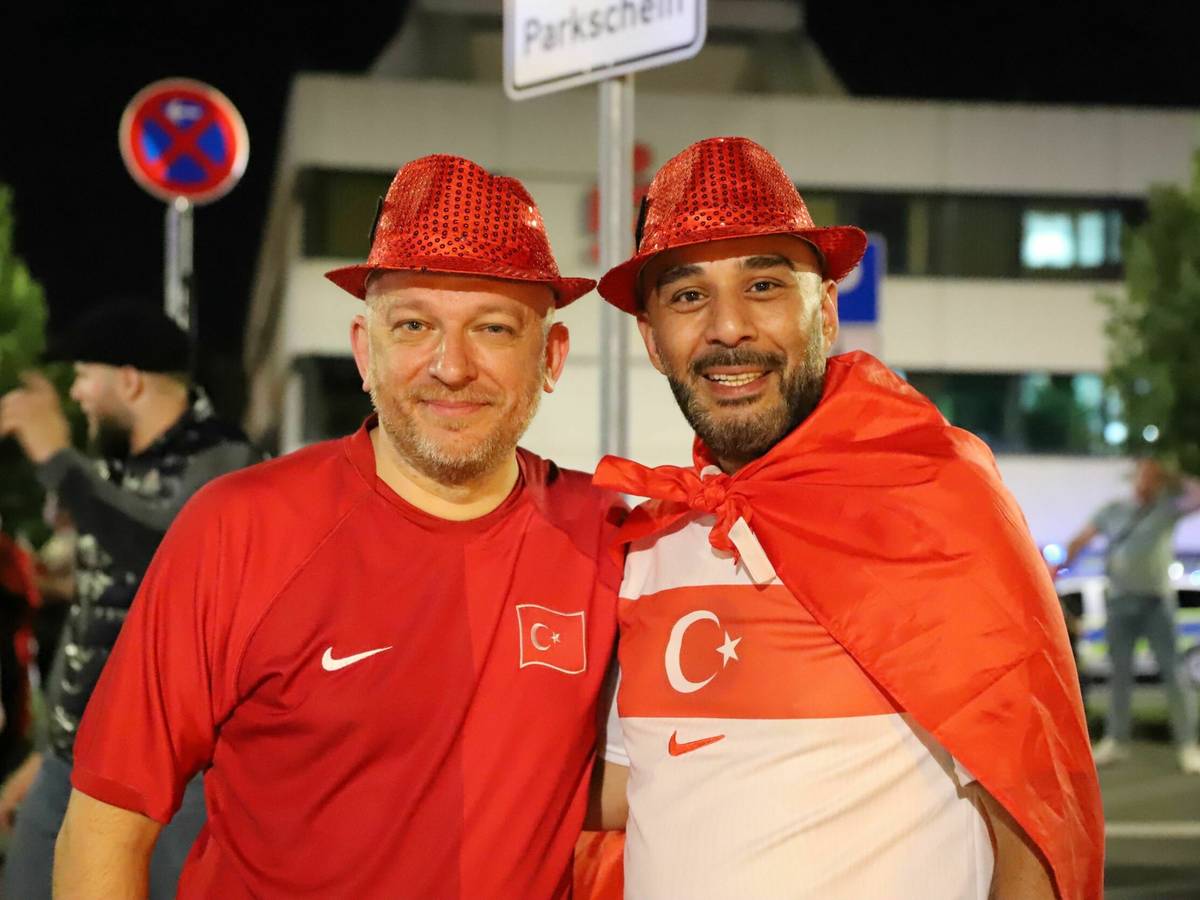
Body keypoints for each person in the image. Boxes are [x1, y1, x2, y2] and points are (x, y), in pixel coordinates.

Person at [52, 154, 626, 899]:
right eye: (414, 324)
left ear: (549, 357)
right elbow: (105, 827)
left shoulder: (609, 534)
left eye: (492, 327)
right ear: (365, 350)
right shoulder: (239, 529)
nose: (451, 366)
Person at [585, 137, 1104, 899]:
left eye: (763, 285)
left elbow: (1033, 811)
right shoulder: (655, 537)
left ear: (825, 309)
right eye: (688, 296)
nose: (728, 328)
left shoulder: (931, 503)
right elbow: (648, 779)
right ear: (652, 339)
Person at [0, 300, 262, 898]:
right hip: (72, 764)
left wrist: (58, 462)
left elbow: (169, 554)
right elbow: (95, 616)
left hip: (169, 775)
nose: (80, 396)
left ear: (128, 379)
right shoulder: (116, 470)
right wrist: (48, 753)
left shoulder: (227, 460)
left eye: (85, 377)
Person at [1058, 457, 1200, 773]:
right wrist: (1057, 567)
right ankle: (1116, 740)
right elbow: (1083, 538)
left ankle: (1187, 743)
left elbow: (1197, 495)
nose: (1147, 481)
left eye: (1153, 476)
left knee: (1174, 673)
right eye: (1143, 475)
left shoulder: (1168, 508)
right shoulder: (1115, 510)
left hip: (1157, 602)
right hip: (1121, 600)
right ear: (1135, 478)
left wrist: (1172, 476)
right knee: (1119, 673)